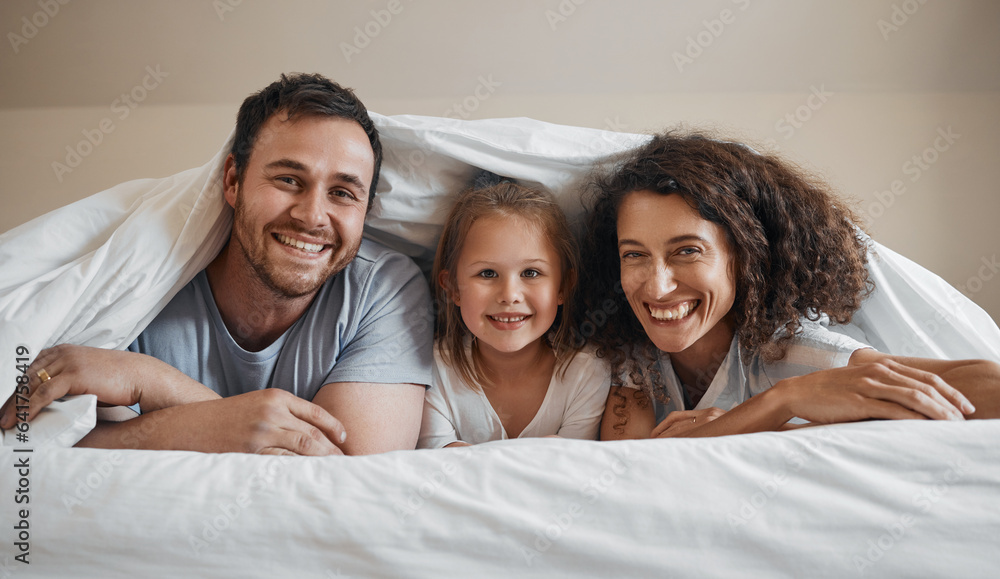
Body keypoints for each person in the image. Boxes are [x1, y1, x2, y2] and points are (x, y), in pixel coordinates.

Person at [0, 73, 433, 455]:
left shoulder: (384, 289)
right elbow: (36, 442)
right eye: (288, 180)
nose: (312, 215)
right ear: (232, 180)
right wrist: (221, 424)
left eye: (343, 193)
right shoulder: (141, 283)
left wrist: (154, 384)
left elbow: (352, 478)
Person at [578, 130, 1000, 439]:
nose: (658, 285)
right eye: (634, 254)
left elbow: (988, 384)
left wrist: (788, 398)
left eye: (687, 251)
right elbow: (629, 463)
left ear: (744, 257)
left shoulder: (783, 353)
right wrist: (766, 412)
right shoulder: (628, 352)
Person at [417, 175, 609, 448]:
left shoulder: (587, 374)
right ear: (453, 288)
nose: (509, 295)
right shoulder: (429, 371)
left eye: (531, 272)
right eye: (487, 273)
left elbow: (567, 478)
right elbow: (440, 472)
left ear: (564, 286)